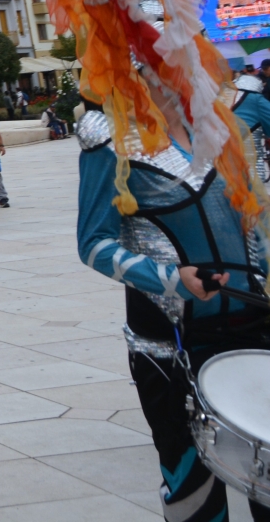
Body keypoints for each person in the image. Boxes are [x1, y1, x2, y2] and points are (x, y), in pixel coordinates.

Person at [76, 93, 270, 522]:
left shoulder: (221, 123)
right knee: (193, 492)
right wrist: (170, 279)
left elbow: (252, 218)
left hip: (255, 327)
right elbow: (92, 245)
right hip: (170, 342)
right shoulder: (107, 137)